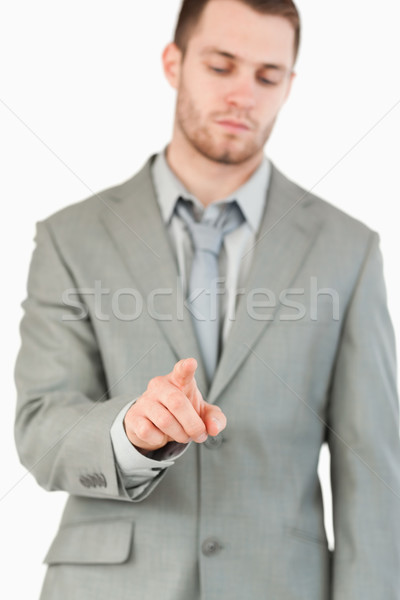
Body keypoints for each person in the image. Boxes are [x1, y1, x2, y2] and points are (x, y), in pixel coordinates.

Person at [14, 0, 400, 598]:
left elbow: (374, 470)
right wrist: (130, 433)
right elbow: (41, 426)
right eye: (222, 67)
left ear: (289, 86)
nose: (243, 95)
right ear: (174, 63)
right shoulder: (71, 238)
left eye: (267, 76)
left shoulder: (349, 250)